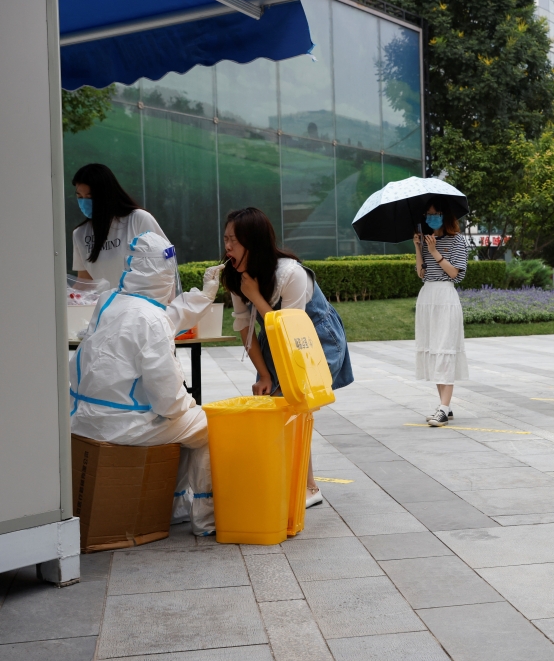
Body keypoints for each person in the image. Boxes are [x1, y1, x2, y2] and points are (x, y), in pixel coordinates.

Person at [70, 233, 222, 536]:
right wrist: (189, 407)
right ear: (165, 272)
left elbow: (162, 318)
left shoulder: (110, 300)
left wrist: (204, 295)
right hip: (124, 425)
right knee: (207, 427)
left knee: (183, 423)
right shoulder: (152, 319)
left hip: (83, 417)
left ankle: (173, 507)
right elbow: (168, 400)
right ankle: (205, 519)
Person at [225, 208, 353, 501]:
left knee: (295, 406)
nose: (228, 246)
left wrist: (256, 295)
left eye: (234, 240)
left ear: (253, 242)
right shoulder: (237, 275)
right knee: (280, 406)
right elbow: (245, 327)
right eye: (225, 239)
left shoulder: (290, 273)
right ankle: (301, 485)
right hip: (275, 334)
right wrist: (265, 375)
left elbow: (291, 333)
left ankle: (307, 488)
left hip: (314, 338)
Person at [411, 201, 470, 426]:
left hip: (445, 296)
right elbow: (421, 272)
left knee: (445, 348)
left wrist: (435, 251)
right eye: (428, 214)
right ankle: (444, 405)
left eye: (435, 214)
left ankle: (443, 408)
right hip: (427, 296)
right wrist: (419, 248)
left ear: (446, 216)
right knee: (434, 350)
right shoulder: (426, 241)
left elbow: (456, 274)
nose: (431, 217)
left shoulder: (457, 241)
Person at [71, 164, 167, 287]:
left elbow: (166, 263)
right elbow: (85, 281)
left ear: (107, 194)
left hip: (142, 303)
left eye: (90, 196)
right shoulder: (80, 233)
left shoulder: (138, 219)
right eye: (79, 196)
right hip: (106, 305)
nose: (84, 201)